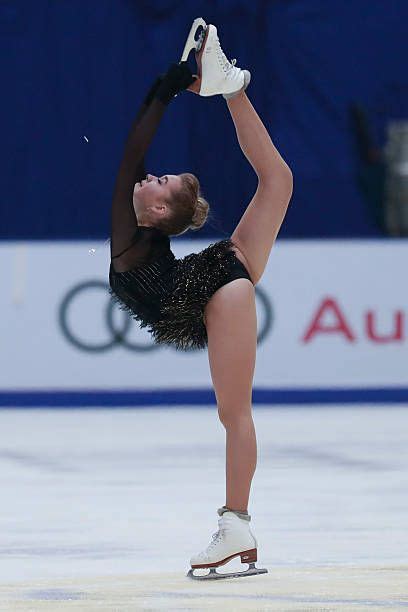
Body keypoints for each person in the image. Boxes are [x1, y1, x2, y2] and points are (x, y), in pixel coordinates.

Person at [109, 23, 293, 579]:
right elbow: (133, 154)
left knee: (233, 412)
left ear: (160, 211)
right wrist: (171, 88)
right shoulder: (137, 237)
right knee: (278, 181)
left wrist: (167, 90)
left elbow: (131, 156)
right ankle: (231, 87)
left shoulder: (134, 233)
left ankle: (235, 522)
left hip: (216, 289)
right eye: (158, 179)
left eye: (157, 180)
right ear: (159, 215)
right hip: (213, 280)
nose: (148, 176)